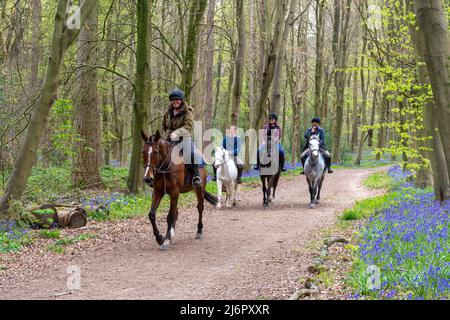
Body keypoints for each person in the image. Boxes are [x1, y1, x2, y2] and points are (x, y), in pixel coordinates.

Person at [162, 88, 203, 188]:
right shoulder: (168, 112)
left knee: (192, 154)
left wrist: (177, 133)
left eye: (177, 99)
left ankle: (196, 177)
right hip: (170, 138)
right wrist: (165, 136)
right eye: (173, 100)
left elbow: (188, 127)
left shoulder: (188, 112)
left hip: (184, 138)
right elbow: (164, 125)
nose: (175, 101)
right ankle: (154, 176)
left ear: (181, 100)